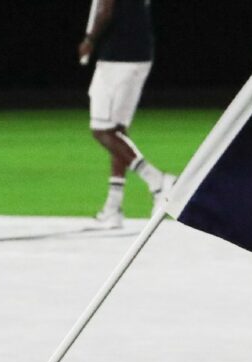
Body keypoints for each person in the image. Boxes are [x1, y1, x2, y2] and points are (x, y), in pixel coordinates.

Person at [78, 0, 175, 229]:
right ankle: (114, 207)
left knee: (102, 130)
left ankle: (157, 180)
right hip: (141, 54)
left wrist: (89, 40)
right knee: (118, 132)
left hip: (117, 57)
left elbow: (105, 8)